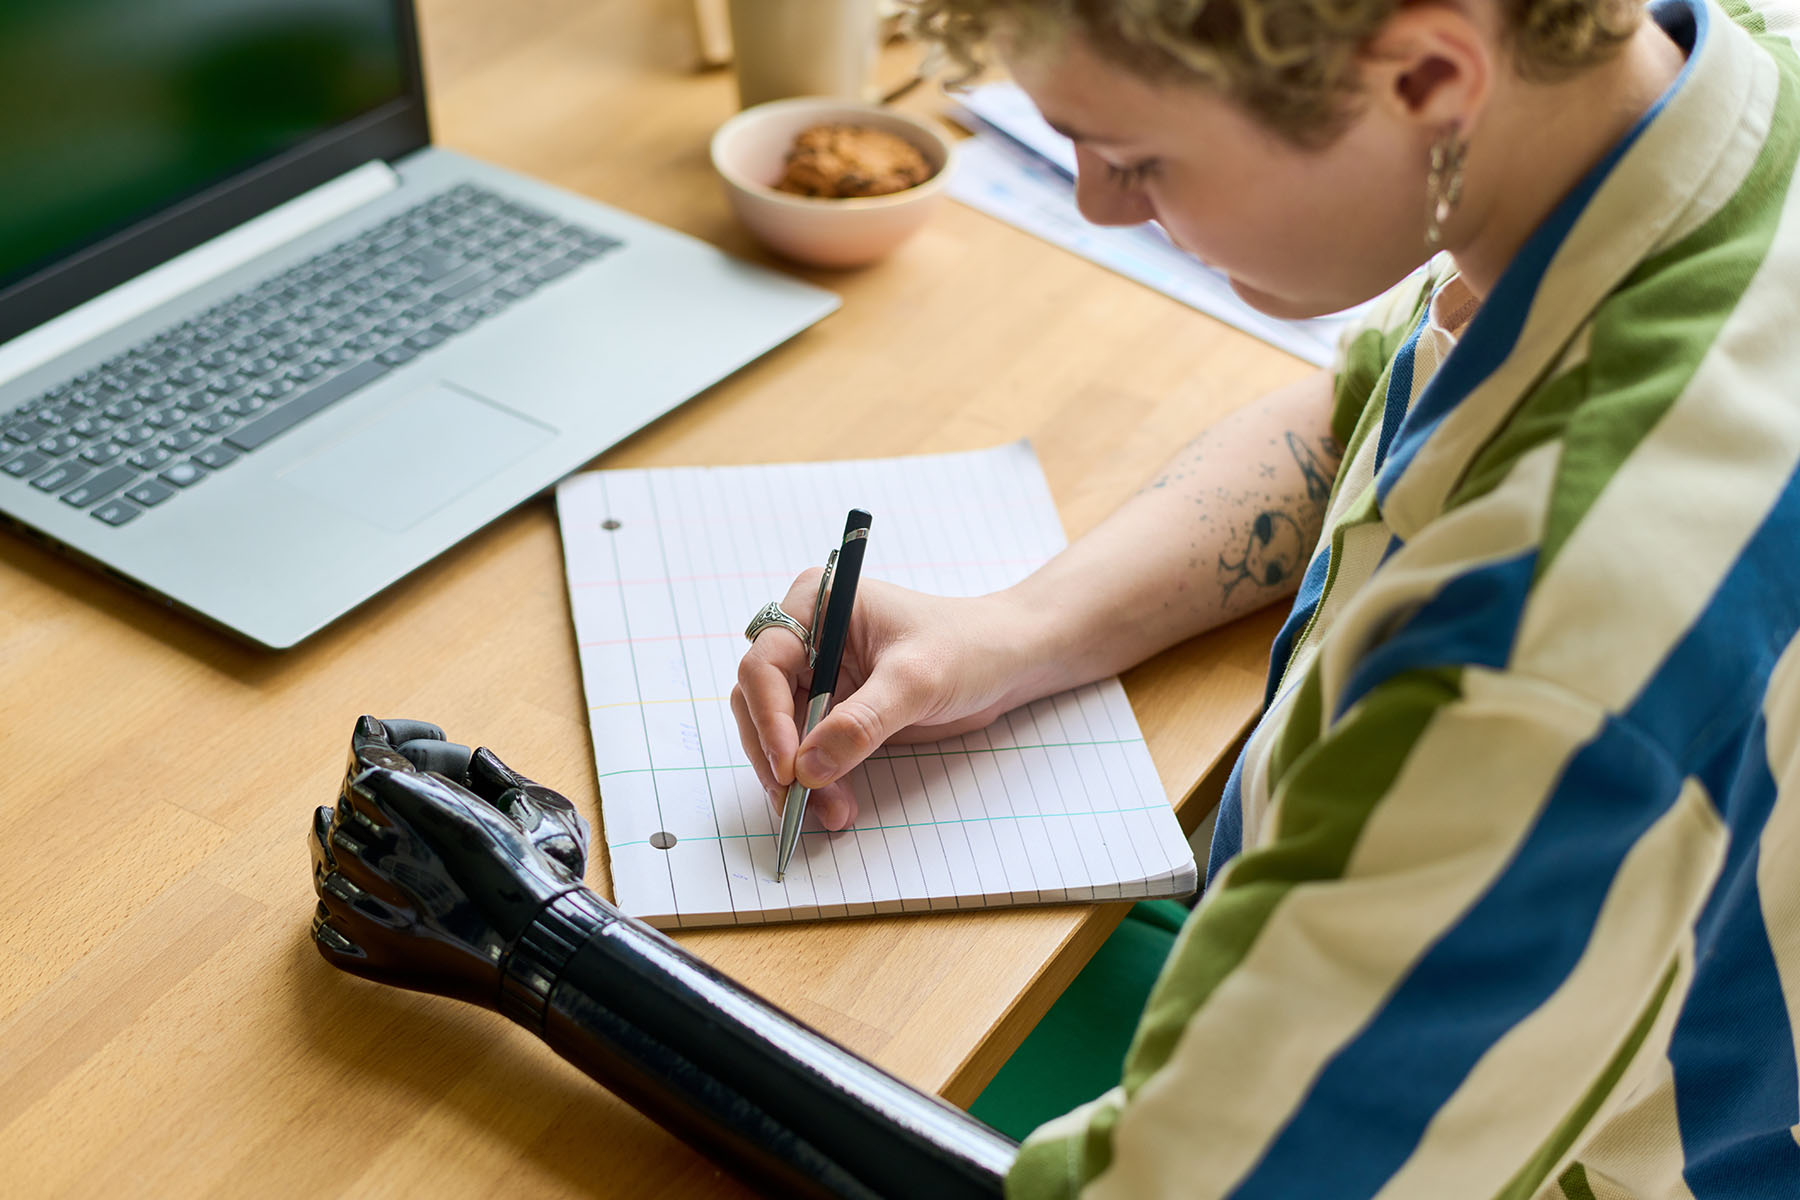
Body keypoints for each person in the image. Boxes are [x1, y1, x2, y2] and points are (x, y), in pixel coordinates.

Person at [310, 0, 1800, 1196]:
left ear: (1426, 74)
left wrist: (536, 937)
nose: (1093, 201)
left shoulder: (1544, 663)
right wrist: (1011, 631)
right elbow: (1369, 413)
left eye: (1138, 159)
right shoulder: (1683, 99)